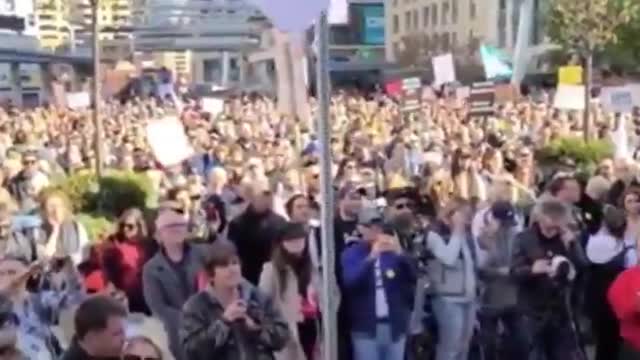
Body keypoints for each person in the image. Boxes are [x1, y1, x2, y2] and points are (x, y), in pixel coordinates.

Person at [180, 240, 290, 360]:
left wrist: (256, 329)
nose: (232, 269)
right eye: (223, 265)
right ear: (211, 274)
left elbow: (282, 337)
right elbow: (192, 352)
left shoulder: (257, 297)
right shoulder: (196, 306)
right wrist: (224, 322)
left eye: (235, 263)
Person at [511, 199, 588, 359]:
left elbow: (582, 267)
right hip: (532, 311)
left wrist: (573, 245)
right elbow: (514, 273)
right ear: (540, 217)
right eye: (551, 218)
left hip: (560, 310)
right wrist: (531, 269)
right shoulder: (524, 239)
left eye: (559, 219)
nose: (555, 224)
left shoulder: (566, 237)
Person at [341, 207, 415, 360]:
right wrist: (371, 257)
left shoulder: (392, 251)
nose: (375, 231)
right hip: (366, 328)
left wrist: (401, 253)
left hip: (394, 325)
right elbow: (350, 283)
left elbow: (413, 277)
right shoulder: (351, 253)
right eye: (370, 227)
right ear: (360, 228)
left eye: (378, 227)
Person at [142, 209, 207, 360]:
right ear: (159, 235)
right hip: (176, 336)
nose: (177, 229)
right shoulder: (151, 269)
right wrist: (188, 318)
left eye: (180, 224)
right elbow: (157, 306)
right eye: (170, 226)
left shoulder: (203, 255)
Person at [0, 255, 84, 359]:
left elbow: (76, 299)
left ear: (29, 275)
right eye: (1, 273)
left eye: (12, 272)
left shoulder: (40, 300)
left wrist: (69, 268)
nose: (6, 277)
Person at [424, 198, 477, 360]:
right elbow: (449, 258)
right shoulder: (435, 233)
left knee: (464, 346)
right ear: (452, 213)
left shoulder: (467, 234)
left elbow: (472, 263)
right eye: (464, 214)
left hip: (469, 298)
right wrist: (456, 232)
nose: (468, 218)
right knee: (450, 347)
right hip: (448, 298)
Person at [259, 222, 320, 360]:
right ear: (281, 243)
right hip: (288, 333)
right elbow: (263, 304)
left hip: (311, 327)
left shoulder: (311, 268)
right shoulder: (272, 270)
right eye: (291, 240)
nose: (297, 244)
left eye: (300, 239)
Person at [475, 201, 525, 359]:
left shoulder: (514, 234)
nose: (507, 226)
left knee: (519, 341)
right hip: (489, 298)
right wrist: (499, 271)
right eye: (503, 222)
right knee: (489, 343)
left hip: (512, 297)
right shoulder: (483, 237)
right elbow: (479, 268)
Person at [587, 206, 632, 360]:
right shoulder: (624, 246)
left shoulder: (592, 240)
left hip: (595, 293)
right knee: (615, 337)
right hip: (617, 294)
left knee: (602, 337)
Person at [227, 180, 287, 284]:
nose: (267, 198)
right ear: (252, 197)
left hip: (274, 278)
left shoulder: (280, 222)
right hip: (247, 278)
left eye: (269, 194)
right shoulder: (238, 223)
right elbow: (232, 253)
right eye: (263, 194)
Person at [102, 208, 156, 314]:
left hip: (150, 302)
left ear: (140, 226)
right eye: (123, 226)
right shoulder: (114, 248)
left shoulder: (152, 247)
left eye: (130, 226)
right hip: (126, 303)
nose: (126, 229)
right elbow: (109, 277)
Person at [61, 296, 128, 360]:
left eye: (123, 331)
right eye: (117, 333)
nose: (124, 339)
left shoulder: (110, 354)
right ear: (92, 338)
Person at [34, 189, 90, 266]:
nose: (56, 210)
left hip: (75, 270)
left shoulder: (76, 226)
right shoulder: (40, 230)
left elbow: (84, 254)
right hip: (52, 274)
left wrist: (66, 262)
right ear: (44, 210)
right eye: (51, 206)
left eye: (59, 205)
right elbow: (44, 259)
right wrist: (55, 231)